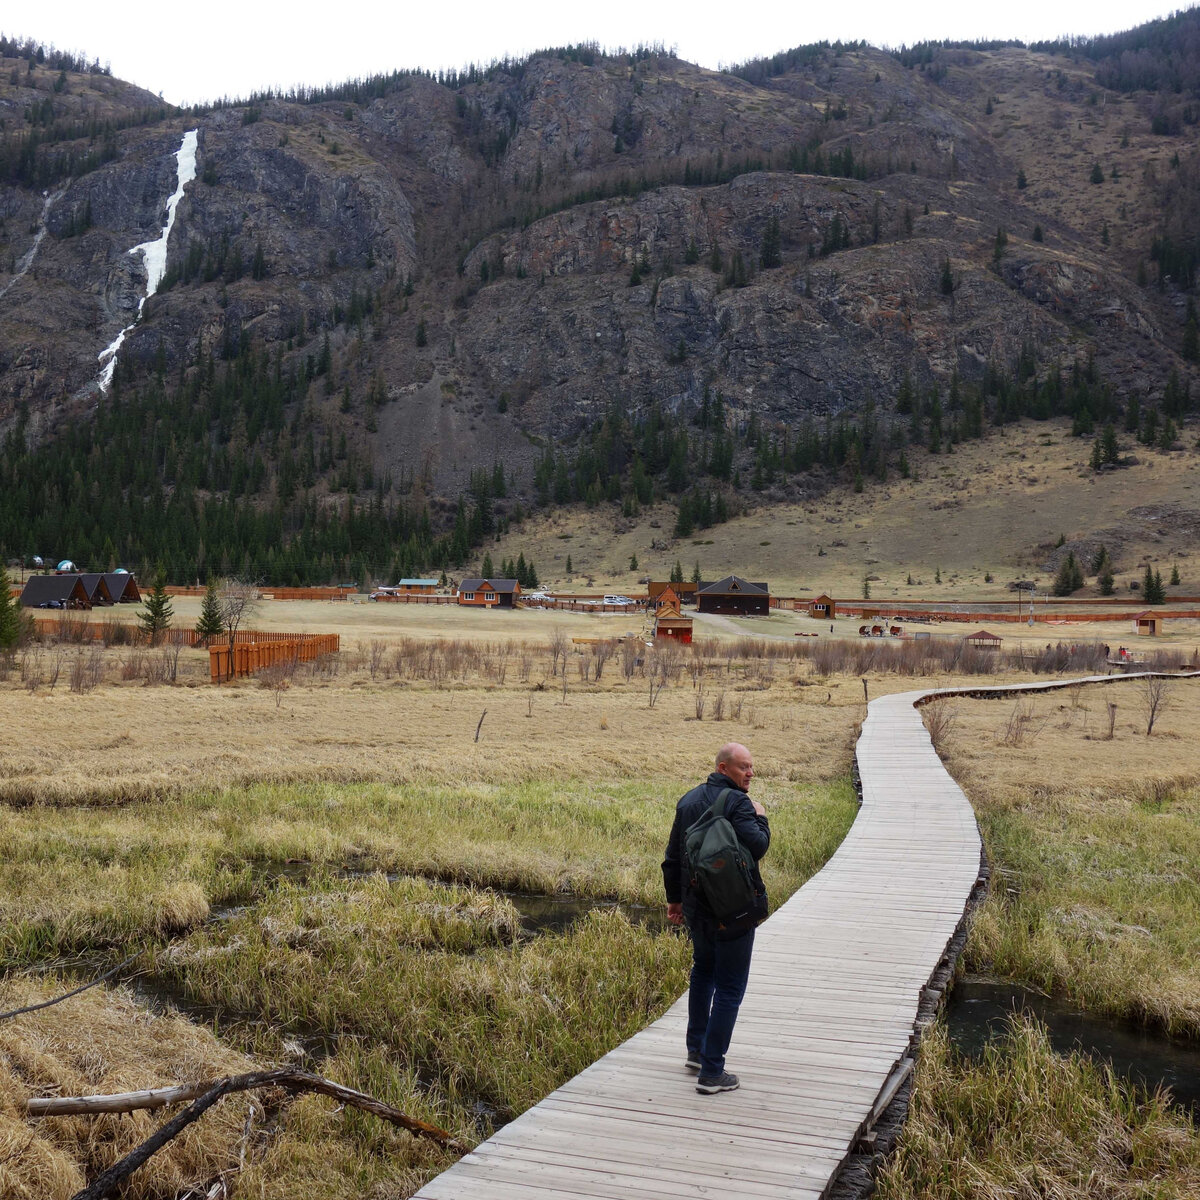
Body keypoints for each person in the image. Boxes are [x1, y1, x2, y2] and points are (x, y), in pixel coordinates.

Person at [662, 742, 769, 1094]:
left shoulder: (688, 800)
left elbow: (673, 858)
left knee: (703, 972)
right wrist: (761, 816)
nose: (750, 773)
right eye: (743, 767)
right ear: (723, 768)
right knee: (729, 987)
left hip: (697, 909)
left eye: (751, 767)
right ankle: (712, 1071)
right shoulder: (739, 802)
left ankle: (696, 1050)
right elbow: (759, 846)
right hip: (734, 910)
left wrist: (675, 902)